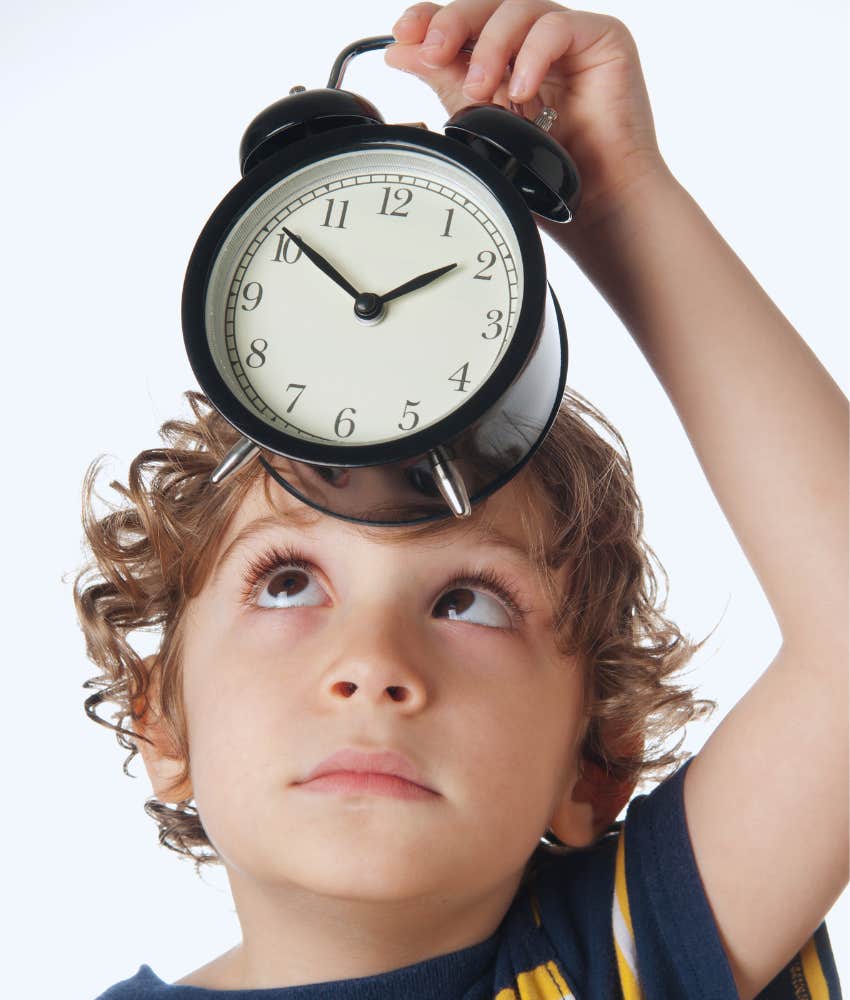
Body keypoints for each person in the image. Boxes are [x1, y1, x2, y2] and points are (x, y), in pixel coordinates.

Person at [79, 2, 848, 997]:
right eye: (287, 582)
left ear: (595, 766)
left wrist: (613, 198)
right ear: (163, 726)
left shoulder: (620, 949)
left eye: (468, 599)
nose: (370, 666)